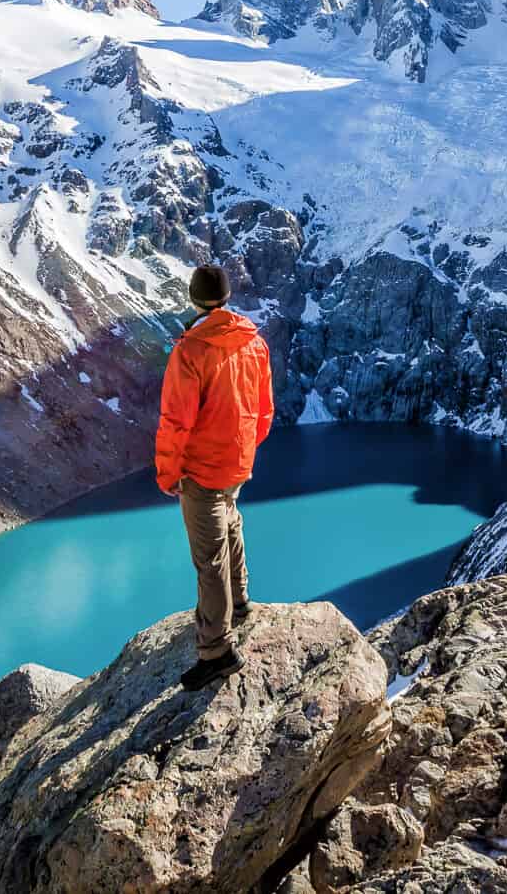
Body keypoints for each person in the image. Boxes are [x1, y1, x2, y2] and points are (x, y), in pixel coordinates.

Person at [154, 262, 274, 691]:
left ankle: (216, 651)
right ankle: (240, 601)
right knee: (232, 519)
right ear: (225, 299)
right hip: (235, 462)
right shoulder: (253, 343)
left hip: (202, 468)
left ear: (194, 299)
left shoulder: (190, 350)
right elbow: (264, 410)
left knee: (209, 559)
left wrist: (168, 474)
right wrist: (244, 449)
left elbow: (175, 421)